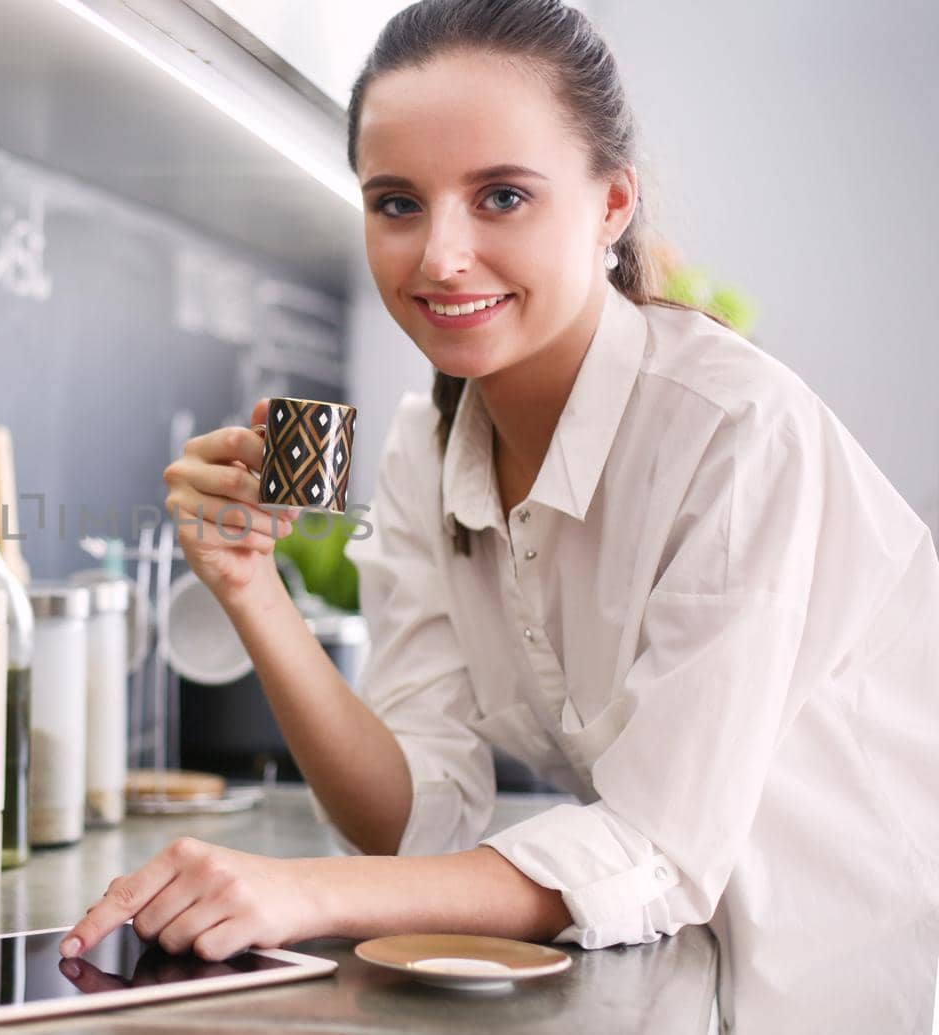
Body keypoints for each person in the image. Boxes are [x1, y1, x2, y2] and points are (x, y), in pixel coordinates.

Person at [58, 0, 939, 1029]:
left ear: (612, 204)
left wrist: (299, 890)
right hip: (678, 984)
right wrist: (255, 593)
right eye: (396, 203)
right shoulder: (427, 447)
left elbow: (655, 848)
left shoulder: (738, 435)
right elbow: (417, 818)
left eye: (502, 196)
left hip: (866, 983)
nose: (439, 255)